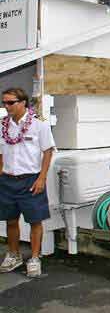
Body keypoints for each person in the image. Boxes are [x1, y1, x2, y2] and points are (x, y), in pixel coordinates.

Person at [0, 88, 55, 278]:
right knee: (11, 220)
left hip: (31, 180)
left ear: (23, 102)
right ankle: (14, 255)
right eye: (4, 103)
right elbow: (1, 154)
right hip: (7, 180)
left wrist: (42, 178)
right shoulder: (2, 126)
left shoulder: (39, 126)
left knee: (35, 221)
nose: (6, 107)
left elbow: (48, 151)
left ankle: (34, 257)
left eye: (10, 103)